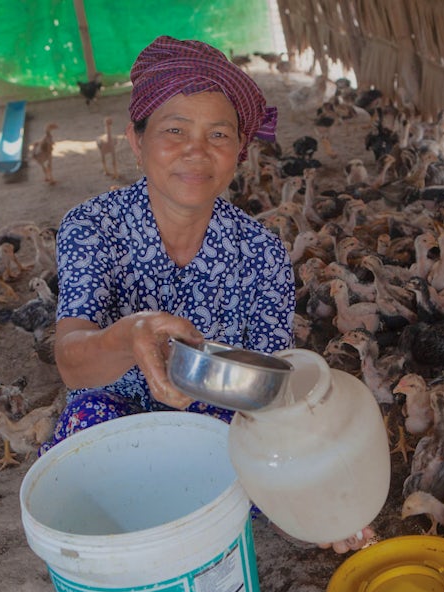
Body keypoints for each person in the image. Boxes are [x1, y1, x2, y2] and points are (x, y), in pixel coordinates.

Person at [45, 35, 372, 554]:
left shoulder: (260, 250)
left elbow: (268, 389)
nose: (197, 150)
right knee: (94, 460)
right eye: (174, 130)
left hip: (219, 421)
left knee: (290, 489)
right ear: (136, 139)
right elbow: (72, 364)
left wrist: (320, 489)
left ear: (238, 152)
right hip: (113, 412)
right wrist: (130, 335)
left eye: (218, 134)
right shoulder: (93, 226)